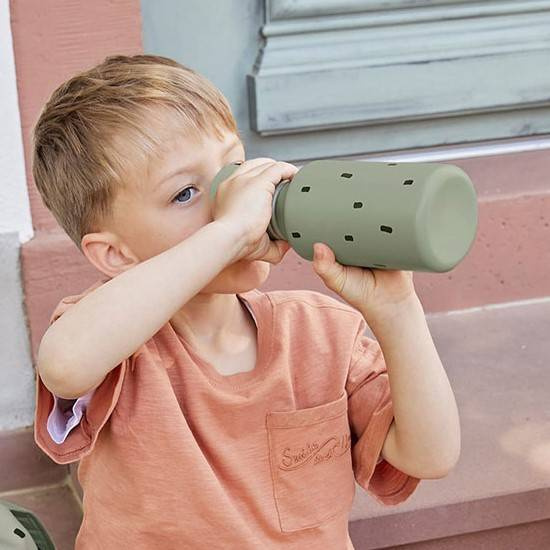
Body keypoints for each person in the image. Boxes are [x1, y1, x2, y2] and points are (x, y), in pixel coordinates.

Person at [32, 54, 460, 549]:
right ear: (116, 254)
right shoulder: (118, 349)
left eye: (234, 166)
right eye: (186, 193)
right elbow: (64, 364)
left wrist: (398, 311)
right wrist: (229, 231)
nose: (236, 196)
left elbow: (431, 455)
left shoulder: (319, 333)